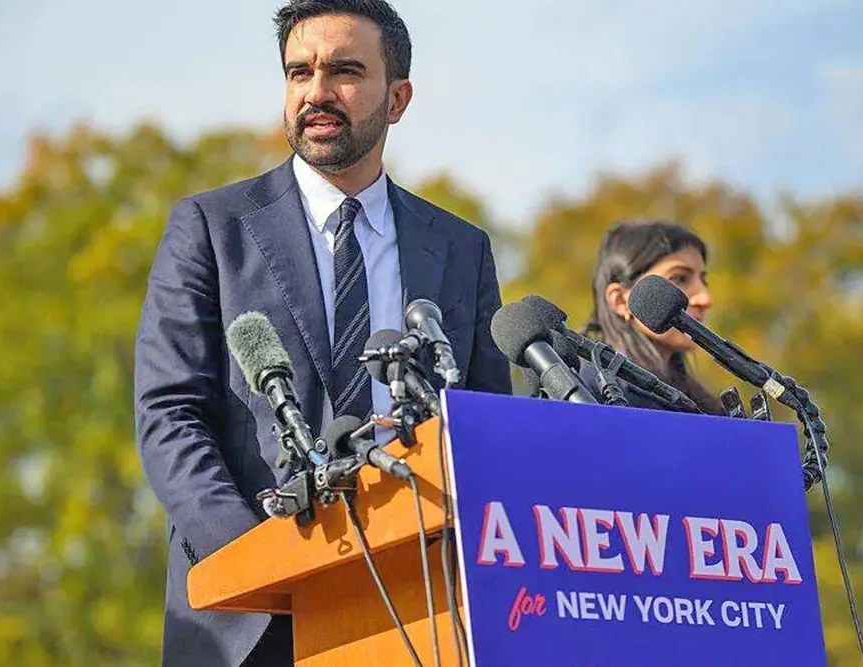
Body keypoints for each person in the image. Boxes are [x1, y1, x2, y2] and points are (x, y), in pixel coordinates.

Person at [132, 1, 511, 665]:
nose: (315, 92)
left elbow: (483, 426)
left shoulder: (461, 247)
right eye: (298, 72)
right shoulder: (211, 229)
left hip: (423, 608)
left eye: (343, 71)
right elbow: (169, 415)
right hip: (252, 615)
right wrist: (264, 560)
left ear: (397, 99)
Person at [581, 220, 725, 415]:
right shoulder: (585, 394)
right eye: (680, 278)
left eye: (703, 280)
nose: (705, 298)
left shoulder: (703, 405)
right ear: (621, 300)